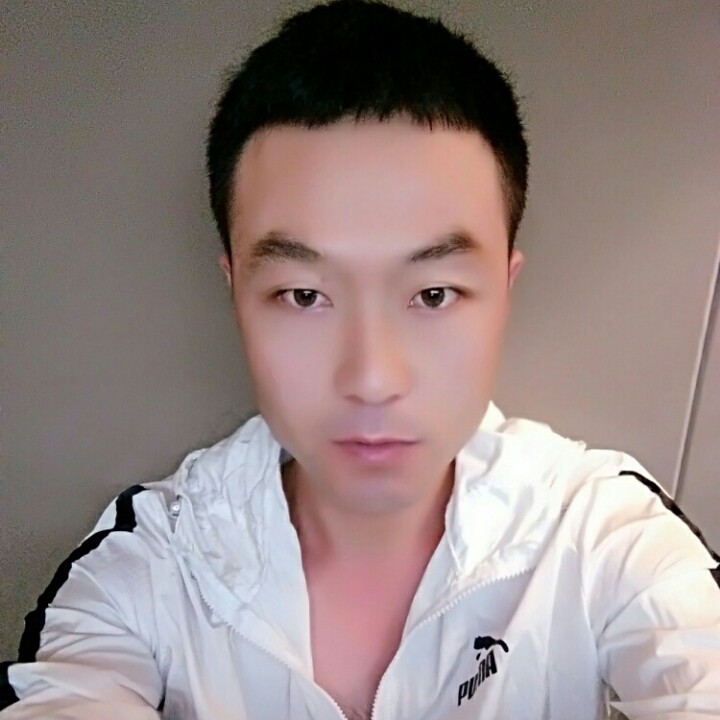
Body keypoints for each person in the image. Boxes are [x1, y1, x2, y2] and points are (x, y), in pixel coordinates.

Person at [1, 0, 719, 718]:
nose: (373, 378)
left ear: (505, 289)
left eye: (433, 294)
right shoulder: (145, 569)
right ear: (236, 290)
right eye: (304, 295)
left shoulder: (602, 536)